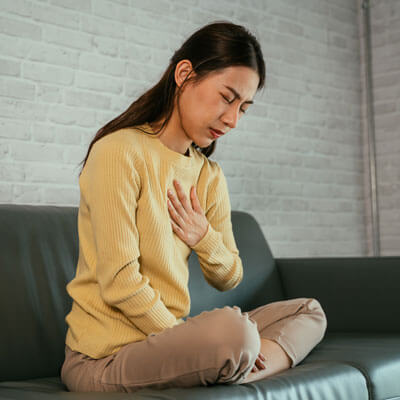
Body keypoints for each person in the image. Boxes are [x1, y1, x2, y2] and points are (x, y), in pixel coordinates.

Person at [60, 20, 328, 393]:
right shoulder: (118, 152)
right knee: (233, 336)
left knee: (308, 312)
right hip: (105, 359)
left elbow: (229, 274)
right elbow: (121, 282)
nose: (233, 119)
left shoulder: (209, 176)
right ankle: (234, 359)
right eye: (227, 97)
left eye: (244, 108)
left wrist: (204, 237)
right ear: (185, 75)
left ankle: (239, 365)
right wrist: (185, 338)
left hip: (171, 344)